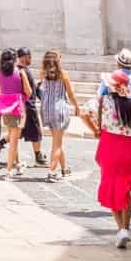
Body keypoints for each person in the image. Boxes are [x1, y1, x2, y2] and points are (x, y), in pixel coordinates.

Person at [80, 51, 131, 248]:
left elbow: (83, 113)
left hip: (108, 145)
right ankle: (125, 228)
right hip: (127, 148)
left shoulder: (102, 103)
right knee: (125, 189)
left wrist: (95, 130)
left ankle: (120, 230)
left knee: (111, 188)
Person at [36, 49, 82, 182]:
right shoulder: (63, 75)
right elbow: (71, 94)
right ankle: (51, 172)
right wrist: (77, 107)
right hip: (59, 108)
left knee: (57, 140)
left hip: (46, 109)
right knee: (57, 144)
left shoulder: (42, 73)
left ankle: (64, 168)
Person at [0, 50, 28, 178]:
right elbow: (29, 91)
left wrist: (5, 96)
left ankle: (18, 164)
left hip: (6, 107)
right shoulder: (20, 72)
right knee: (14, 140)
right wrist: (20, 97)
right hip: (18, 108)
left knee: (13, 137)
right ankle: (9, 169)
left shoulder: (0, 73)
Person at [17, 49, 46, 167]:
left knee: (18, 133)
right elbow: (26, 90)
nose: (31, 58)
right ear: (24, 57)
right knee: (36, 132)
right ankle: (38, 157)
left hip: (25, 105)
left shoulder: (22, 70)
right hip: (28, 105)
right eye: (29, 56)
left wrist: (36, 86)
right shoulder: (21, 71)